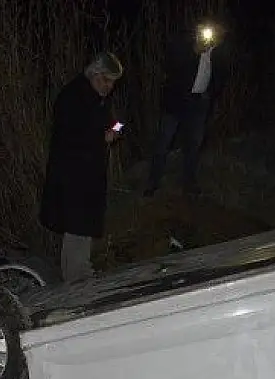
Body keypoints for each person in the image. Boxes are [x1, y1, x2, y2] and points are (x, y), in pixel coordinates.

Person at [38, 51, 124, 282]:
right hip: (73, 175)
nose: (109, 86)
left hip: (89, 174)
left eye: (112, 83)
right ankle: (78, 278)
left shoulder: (99, 98)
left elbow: (116, 121)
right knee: (77, 226)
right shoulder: (72, 97)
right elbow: (69, 136)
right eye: (105, 80)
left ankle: (77, 273)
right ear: (94, 74)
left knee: (81, 228)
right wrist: (101, 138)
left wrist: (117, 128)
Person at [144, 19, 229, 197]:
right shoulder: (183, 45)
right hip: (176, 101)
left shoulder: (220, 53)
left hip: (200, 103)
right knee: (163, 143)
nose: (212, 36)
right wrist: (195, 51)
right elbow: (170, 67)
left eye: (218, 33)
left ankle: (189, 183)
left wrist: (211, 94)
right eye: (208, 31)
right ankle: (153, 183)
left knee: (193, 144)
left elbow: (221, 77)